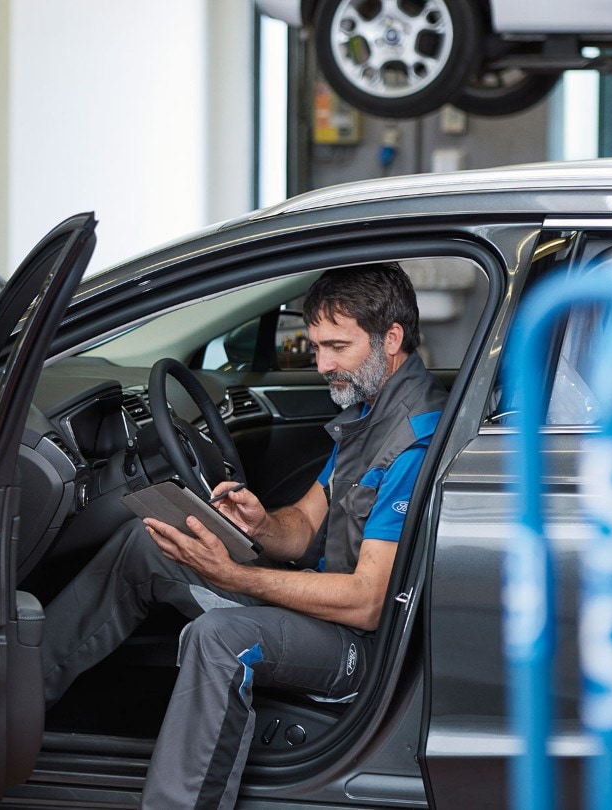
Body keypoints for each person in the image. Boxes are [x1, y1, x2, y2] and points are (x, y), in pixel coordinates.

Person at [40, 263, 447, 809]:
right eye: (316, 345)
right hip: (326, 606)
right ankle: (13, 698)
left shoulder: (412, 439)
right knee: (149, 542)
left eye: (337, 347)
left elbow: (369, 602)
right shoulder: (371, 413)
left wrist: (235, 577)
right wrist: (259, 522)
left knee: (222, 637)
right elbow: (302, 526)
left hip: (360, 647)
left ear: (391, 338)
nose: (322, 363)